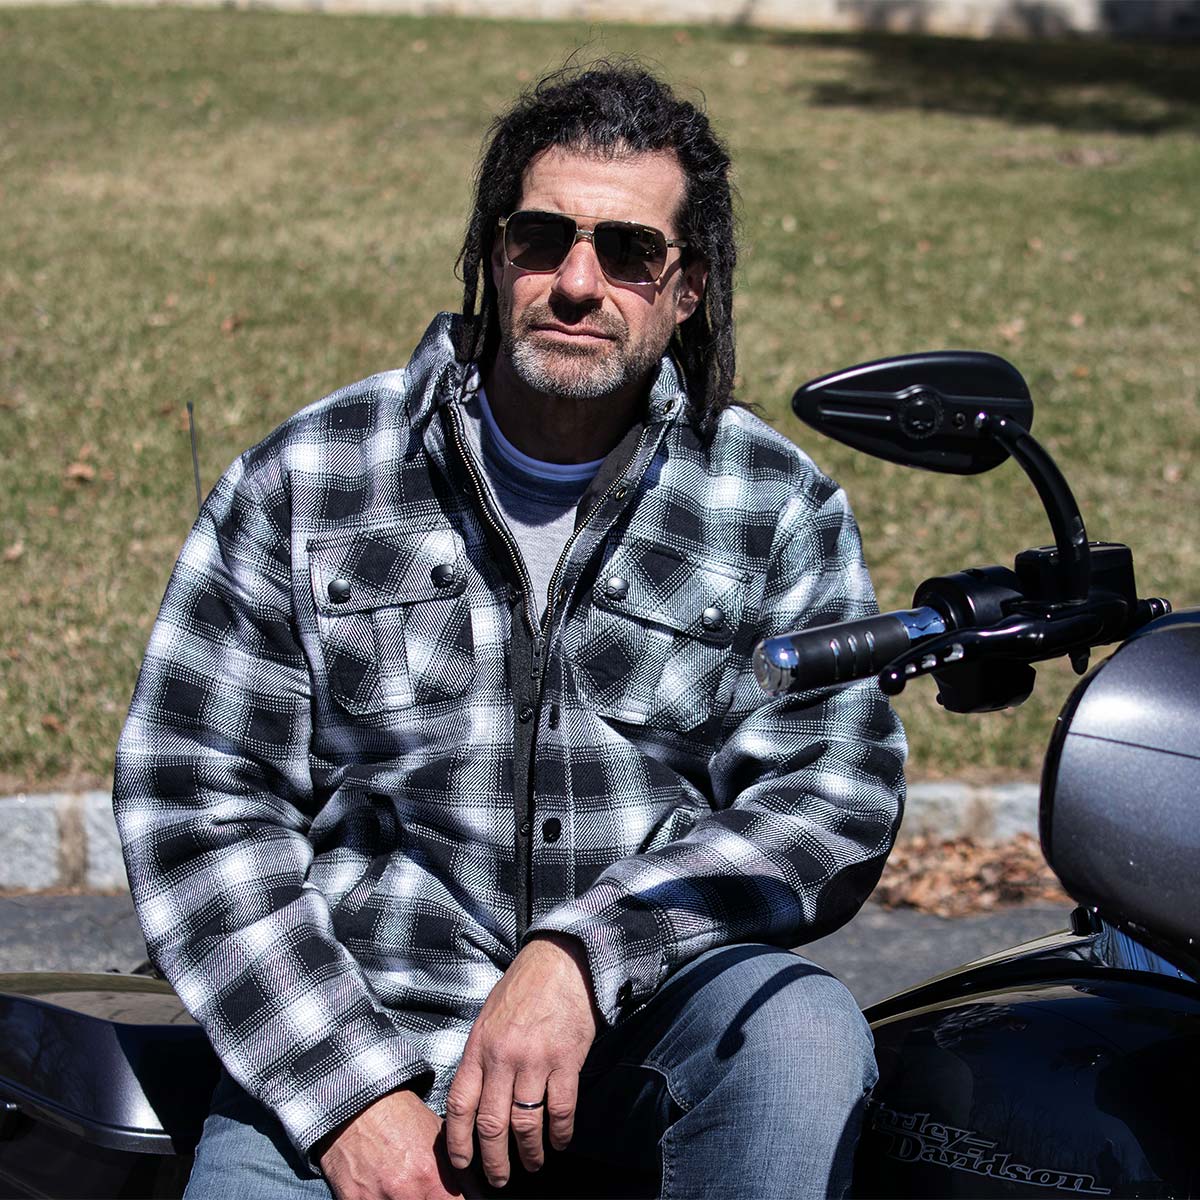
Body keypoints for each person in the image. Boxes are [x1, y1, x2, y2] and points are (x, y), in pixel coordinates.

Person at [114, 62, 906, 1200]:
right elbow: (196, 803)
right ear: (494, 255)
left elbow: (830, 796)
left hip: (642, 1026)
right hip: (362, 1030)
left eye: (628, 252)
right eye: (543, 238)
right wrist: (349, 1103)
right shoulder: (311, 475)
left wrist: (586, 954)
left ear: (688, 288)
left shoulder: (772, 503)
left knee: (802, 1035)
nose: (578, 283)